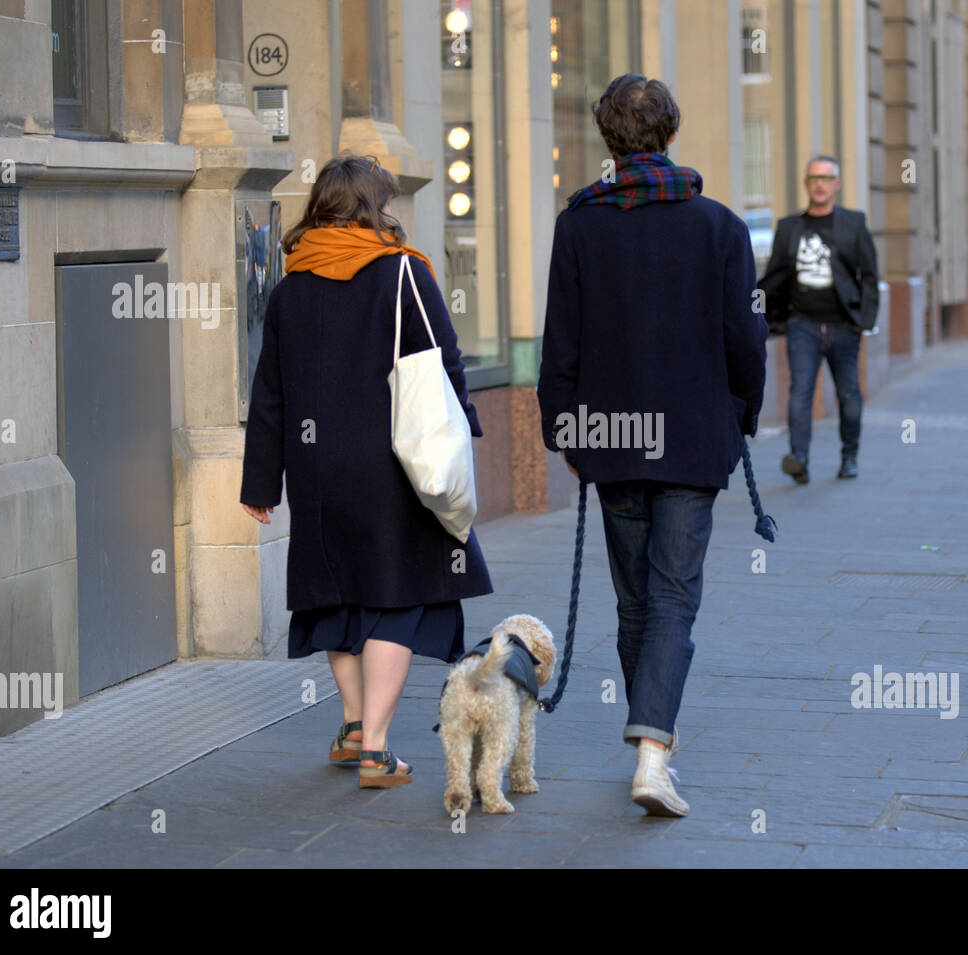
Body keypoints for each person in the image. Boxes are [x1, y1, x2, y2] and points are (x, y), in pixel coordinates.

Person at [537, 74, 767, 817]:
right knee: (671, 597)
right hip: (694, 437)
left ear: (609, 140)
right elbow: (745, 340)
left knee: (636, 600)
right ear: (671, 132)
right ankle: (652, 752)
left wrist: (561, 428)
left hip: (610, 439)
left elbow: (561, 342)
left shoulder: (580, 223)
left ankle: (649, 740)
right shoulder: (720, 227)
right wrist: (740, 415)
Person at [239, 153, 492, 788]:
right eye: (386, 201)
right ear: (371, 208)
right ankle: (377, 748)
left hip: (316, 466)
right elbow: (444, 365)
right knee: (395, 596)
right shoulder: (403, 274)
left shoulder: (292, 286)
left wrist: (260, 482)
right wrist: (463, 437)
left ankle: (353, 727)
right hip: (393, 466)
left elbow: (268, 391)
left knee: (337, 593)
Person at [757, 155, 879, 483]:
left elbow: (869, 275)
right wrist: (758, 314)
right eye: (814, 179)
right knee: (800, 392)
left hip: (844, 326)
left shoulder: (853, 223)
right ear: (806, 184)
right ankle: (799, 458)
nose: (820, 184)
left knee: (849, 394)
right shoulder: (789, 227)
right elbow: (775, 276)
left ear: (836, 184)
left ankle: (849, 456)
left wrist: (863, 322)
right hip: (802, 325)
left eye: (826, 178)